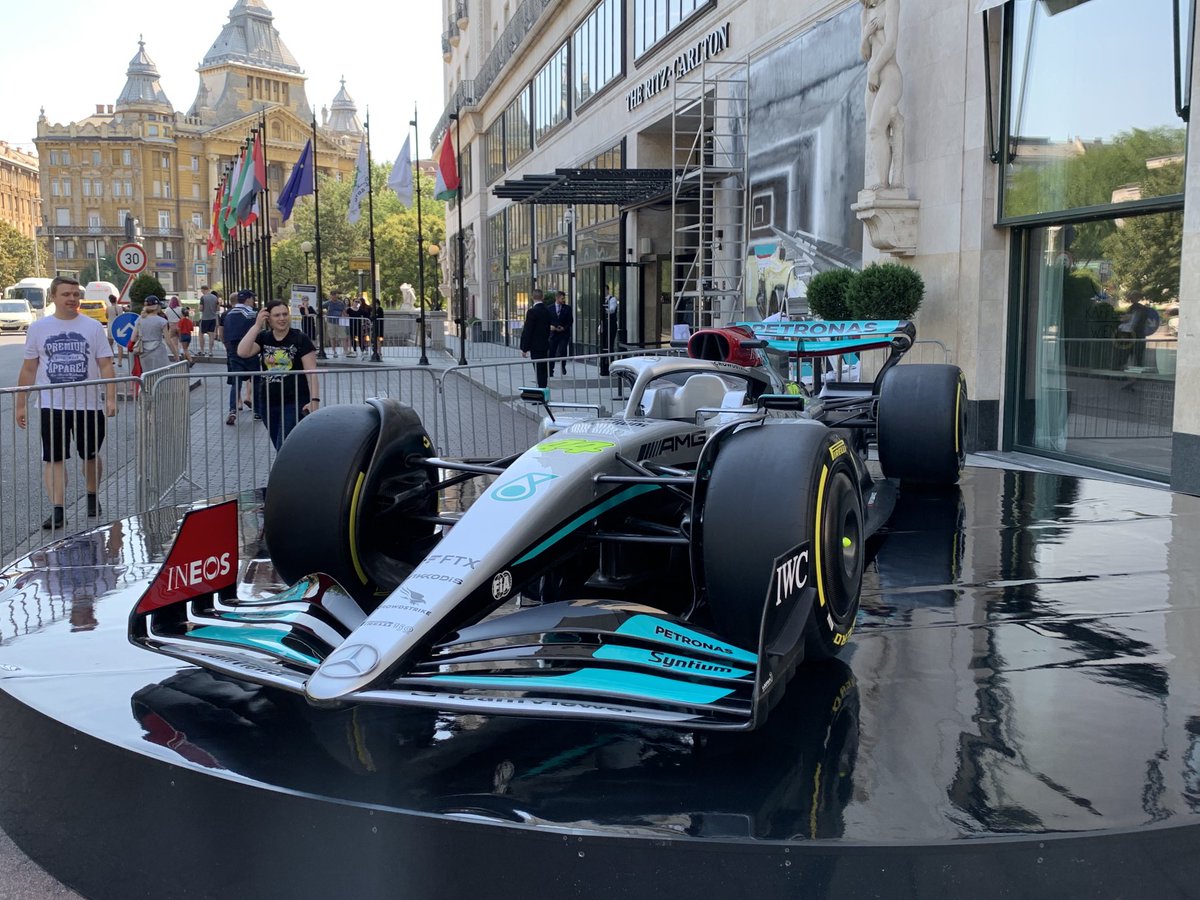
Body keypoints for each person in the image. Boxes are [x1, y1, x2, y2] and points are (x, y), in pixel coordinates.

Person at [14, 276, 118, 530]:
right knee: (54, 459)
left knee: (90, 455)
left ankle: (92, 495)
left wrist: (110, 398)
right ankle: (58, 510)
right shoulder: (38, 328)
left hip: (88, 405)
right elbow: (29, 368)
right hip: (52, 405)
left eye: (75, 294)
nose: (72, 299)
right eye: (66, 294)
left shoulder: (93, 327)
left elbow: (106, 364)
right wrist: (21, 403)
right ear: (53, 297)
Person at [237, 299, 319, 450]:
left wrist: (314, 400)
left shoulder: (300, 338)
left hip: (294, 400)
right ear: (268, 319)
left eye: (285, 314)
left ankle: (285, 466)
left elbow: (311, 373)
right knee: (279, 444)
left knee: (284, 444)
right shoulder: (264, 337)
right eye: (277, 315)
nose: (282, 318)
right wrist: (256, 326)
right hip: (268, 400)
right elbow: (242, 352)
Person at [860, 0, 905, 190]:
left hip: (888, 75)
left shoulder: (890, 3)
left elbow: (891, 43)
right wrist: (865, 35)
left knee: (876, 127)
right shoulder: (864, 14)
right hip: (873, 80)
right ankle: (883, 182)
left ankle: (885, 184)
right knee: (875, 133)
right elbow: (864, 54)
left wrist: (875, 70)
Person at [223, 289, 261, 426]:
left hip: (233, 352)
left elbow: (224, 334)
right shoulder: (252, 314)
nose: (254, 301)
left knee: (236, 382)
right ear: (248, 299)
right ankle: (257, 411)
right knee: (256, 381)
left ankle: (232, 410)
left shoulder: (228, 314)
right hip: (250, 351)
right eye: (253, 298)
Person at [129, 295, 179, 374]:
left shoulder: (139, 319)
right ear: (157, 307)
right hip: (159, 351)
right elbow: (168, 341)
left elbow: (133, 338)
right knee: (161, 376)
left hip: (144, 351)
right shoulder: (162, 321)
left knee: (147, 377)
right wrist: (175, 354)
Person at [519, 289, 552, 389]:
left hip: (535, 346)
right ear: (543, 297)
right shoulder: (547, 310)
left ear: (532, 298)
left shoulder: (532, 312)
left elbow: (528, 330)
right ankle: (543, 388)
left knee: (538, 369)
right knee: (543, 369)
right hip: (545, 344)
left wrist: (524, 348)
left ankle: (541, 390)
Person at [548, 290, 573, 375]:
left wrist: (564, 328)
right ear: (557, 298)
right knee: (551, 351)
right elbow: (547, 321)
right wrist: (551, 327)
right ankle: (550, 369)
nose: (563, 300)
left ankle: (563, 366)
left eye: (564, 298)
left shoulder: (568, 308)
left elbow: (570, 321)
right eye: (562, 298)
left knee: (562, 350)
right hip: (553, 334)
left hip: (564, 333)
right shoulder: (549, 308)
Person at [198, 286, 220, 357]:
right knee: (211, 336)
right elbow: (218, 308)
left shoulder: (203, 298)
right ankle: (210, 351)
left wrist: (200, 308)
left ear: (205, 290)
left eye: (202, 291)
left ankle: (202, 351)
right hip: (213, 318)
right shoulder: (215, 297)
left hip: (205, 318)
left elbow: (201, 308)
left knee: (201, 334)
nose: (202, 292)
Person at [326, 291, 348, 358]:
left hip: (340, 322)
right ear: (331, 296)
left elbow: (344, 311)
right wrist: (324, 314)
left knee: (343, 336)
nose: (334, 296)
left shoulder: (341, 303)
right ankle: (334, 351)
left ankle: (345, 351)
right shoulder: (328, 303)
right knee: (332, 337)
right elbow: (320, 308)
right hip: (331, 322)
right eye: (333, 295)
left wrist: (345, 316)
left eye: (335, 295)